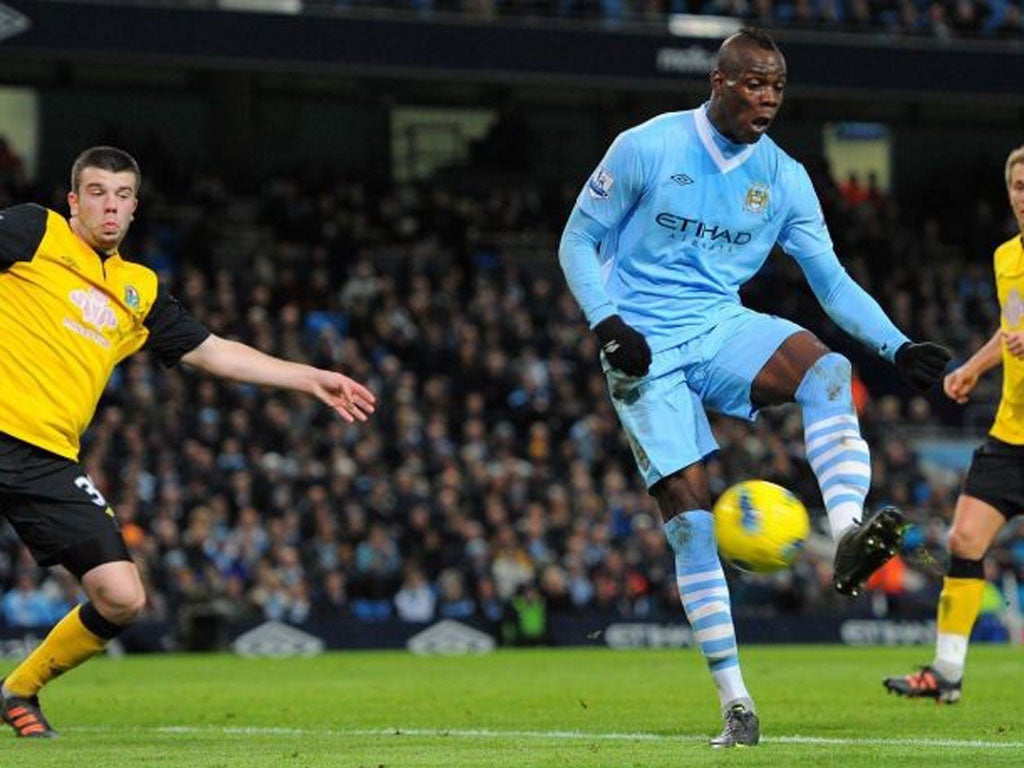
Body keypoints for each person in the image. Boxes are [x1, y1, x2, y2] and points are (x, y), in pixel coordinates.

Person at [558, 28, 949, 747]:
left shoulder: (785, 177)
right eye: (753, 83)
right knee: (692, 521)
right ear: (719, 81)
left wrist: (896, 345)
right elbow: (576, 241)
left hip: (718, 325)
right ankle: (736, 700)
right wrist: (607, 323)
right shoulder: (647, 146)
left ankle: (845, 532)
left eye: (776, 87)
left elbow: (829, 281)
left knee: (827, 368)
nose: (767, 97)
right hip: (644, 348)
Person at [0, 146, 376, 737]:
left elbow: (213, 351)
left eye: (122, 196)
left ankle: (20, 689)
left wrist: (308, 377)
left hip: (46, 458)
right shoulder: (32, 230)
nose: (110, 206)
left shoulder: (138, 289)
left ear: (134, 209)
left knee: (122, 597)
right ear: (73, 201)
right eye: (97, 192)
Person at [883, 144, 1024, 704]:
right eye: (1018, 184)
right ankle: (946, 671)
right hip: (1012, 434)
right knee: (965, 539)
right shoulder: (1007, 258)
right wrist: (973, 365)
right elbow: (1012, 329)